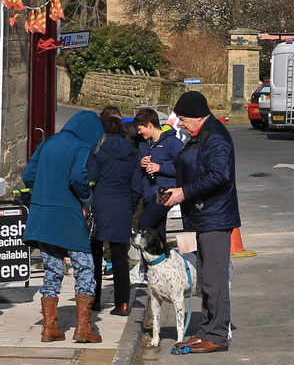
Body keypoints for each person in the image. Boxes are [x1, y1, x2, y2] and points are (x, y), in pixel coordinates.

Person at [158, 91, 239, 354]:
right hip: (205, 216)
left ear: (195, 116)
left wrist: (184, 192)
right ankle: (205, 330)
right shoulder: (201, 135)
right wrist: (178, 189)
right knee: (205, 277)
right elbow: (197, 170)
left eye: (182, 118)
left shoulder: (214, 137)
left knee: (215, 278)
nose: (179, 123)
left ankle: (217, 335)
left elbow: (219, 175)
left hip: (215, 216)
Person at [21, 109, 103, 343]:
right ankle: (83, 328)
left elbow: (28, 175)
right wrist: (86, 199)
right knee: (85, 267)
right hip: (67, 216)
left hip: (42, 216)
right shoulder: (80, 146)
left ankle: (49, 328)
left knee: (53, 269)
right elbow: (78, 177)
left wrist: (48, 185)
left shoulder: (48, 143)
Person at [87, 107, 142, 315]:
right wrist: (130, 205)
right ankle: (123, 303)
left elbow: (90, 179)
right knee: (120, 257)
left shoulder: (96, 150)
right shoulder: (132, 152)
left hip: (99, 205)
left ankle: (95, 300)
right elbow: (137, 186)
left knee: (95, 255)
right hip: (122, 206)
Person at [133, 106, 183, 235]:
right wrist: (141, 163)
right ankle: (163, 253)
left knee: (145, 222)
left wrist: (160, 168)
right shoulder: (143, 144)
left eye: (140, 129)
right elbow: (137, 168)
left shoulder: (172, 142)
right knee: (158, 228)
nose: (139, 133)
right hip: (149, 192)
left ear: (150, 125)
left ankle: (149, 252)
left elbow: (184, 167)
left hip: (165, 191)